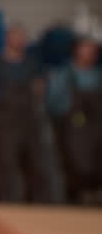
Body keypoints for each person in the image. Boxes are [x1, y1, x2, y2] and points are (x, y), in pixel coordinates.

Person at [0, 24, 60, 203]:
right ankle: (10, 203)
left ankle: (42, 204)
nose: (19, 41)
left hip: (31, 120)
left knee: (39, 162)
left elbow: (40, 88)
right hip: (7, 122)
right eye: (16, 36)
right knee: (7, 164)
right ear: (7, 38)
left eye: (22, 37)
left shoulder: (32, 62)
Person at [46, 36, 102, 202]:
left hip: (97, 134)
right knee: (76, 169)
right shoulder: (63, 76)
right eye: (86, 48)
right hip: (73, 132)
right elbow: (53, 104)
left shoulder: (98, 76)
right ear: (76, 50)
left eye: (93, 49)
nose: (90, 52)